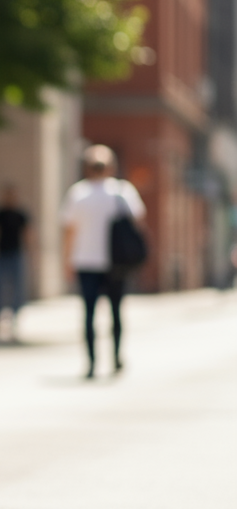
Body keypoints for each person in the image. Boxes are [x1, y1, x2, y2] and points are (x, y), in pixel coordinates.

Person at [60, 145, 146, 378]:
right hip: (115, 262)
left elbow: (69, 231)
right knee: (116, 312)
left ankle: (91, 363)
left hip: (85, 261)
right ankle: (116, 357)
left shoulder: (78, 193)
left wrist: (66, 260)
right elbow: (138, 221)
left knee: (89, 314)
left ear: (86, 168)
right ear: (112, 167)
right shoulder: (122, 191)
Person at [0, 183, 29, 333]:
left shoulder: (20, 214)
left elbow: (28, 234)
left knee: (17, 287)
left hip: (16, 253)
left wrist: (32, 253)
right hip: (0, 254)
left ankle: (15, 315)